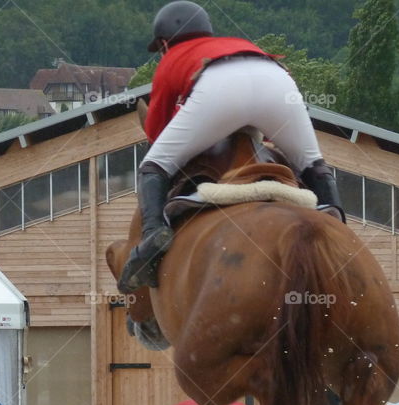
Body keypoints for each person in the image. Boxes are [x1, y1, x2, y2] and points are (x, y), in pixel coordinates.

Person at [118, 0, 343, 291]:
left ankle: (153, 236)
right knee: (313, 164)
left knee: (153, 164)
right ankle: (339, 232)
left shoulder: (172, 57)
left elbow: (157, 132)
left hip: (219, 89)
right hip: (277, 81)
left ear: (163, 42)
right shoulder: (238, 43)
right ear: (207, 31)